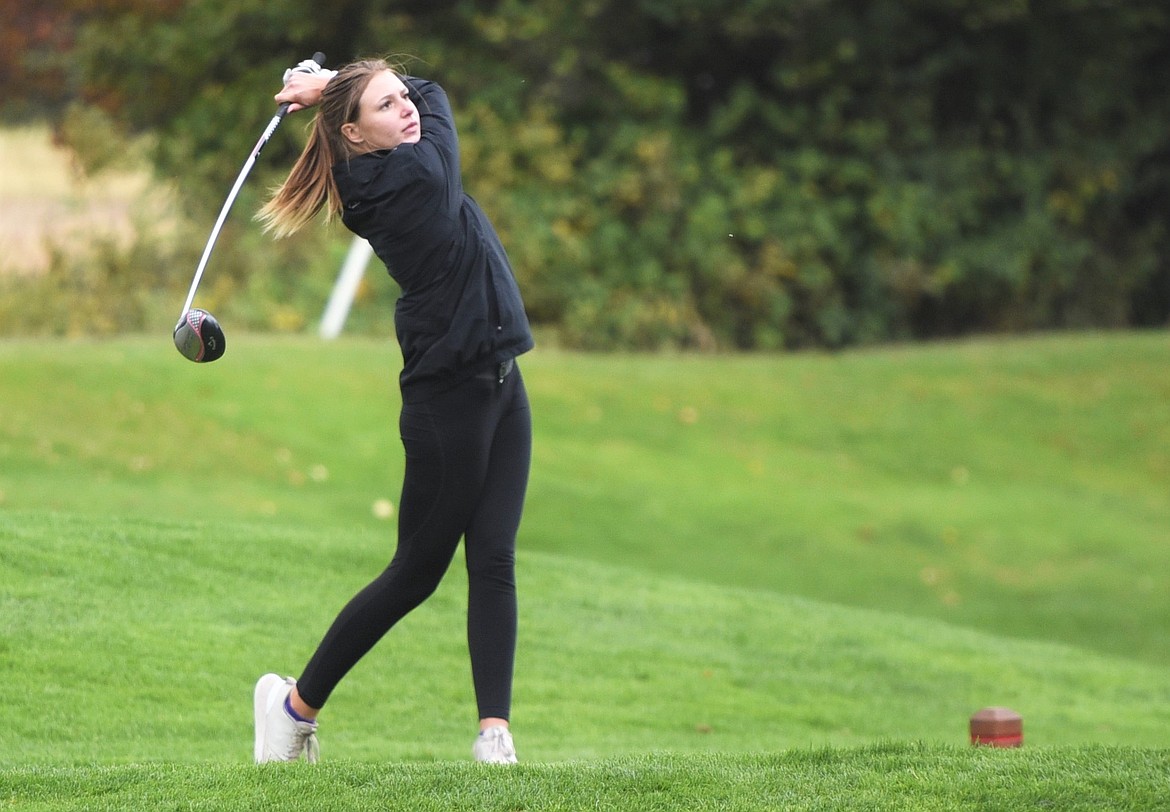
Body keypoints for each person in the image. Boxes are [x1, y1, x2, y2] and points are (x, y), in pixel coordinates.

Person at [250, 56, 535, 765]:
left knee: (494, 556)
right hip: (450, 400)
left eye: (400, 97)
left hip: (501, 380)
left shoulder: (394, 156)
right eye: (385, 106)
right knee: (416, 571)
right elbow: (439, 103)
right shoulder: (407, 179)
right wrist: (339, 82)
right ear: (355, 134)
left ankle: (494, 733)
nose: (407, 108)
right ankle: (291, 710)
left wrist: (336, 83)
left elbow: (427, 93)